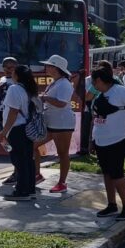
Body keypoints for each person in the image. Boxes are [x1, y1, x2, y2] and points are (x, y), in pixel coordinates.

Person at [89, 67, 125, 220]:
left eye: (94, 82)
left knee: (117, 174)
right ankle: (111, 204)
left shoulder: (120, 91)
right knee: (107, 173)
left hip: (117, 139)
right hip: (101, 140)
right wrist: (92, 140)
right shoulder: (101, 94)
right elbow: (96, 118)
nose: (93, 85)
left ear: (99, 80)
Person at [0, 65, 41, 201]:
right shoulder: (29, 90)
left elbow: (13, 112)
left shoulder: (14, 89)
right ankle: (30, 189)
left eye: (13, 72)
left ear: (17, 76)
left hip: (16, 129)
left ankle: (21, 191)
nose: (11, 73)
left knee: (19, 160)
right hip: (26, 129)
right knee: (27, 159)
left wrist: (3, 132)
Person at [35, 55, 75, 193]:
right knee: (33, 145)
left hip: (62, 122)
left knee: (62, 153)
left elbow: (62, 103)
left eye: (49, 65)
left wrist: (44, 98)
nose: (46, 67)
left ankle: (62, 182)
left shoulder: (64, 83)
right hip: (51, 121)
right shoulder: (55, 82)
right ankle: (36, 174)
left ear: (56, 68)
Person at [0, 58, 19, 184]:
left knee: (14, 146)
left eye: (11, 67)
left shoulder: (17, 82)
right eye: (5, 66)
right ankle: (17, 170)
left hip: (10, 117)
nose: (8, 69)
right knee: (7, 145)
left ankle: (18, 172)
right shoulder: (2, 79)